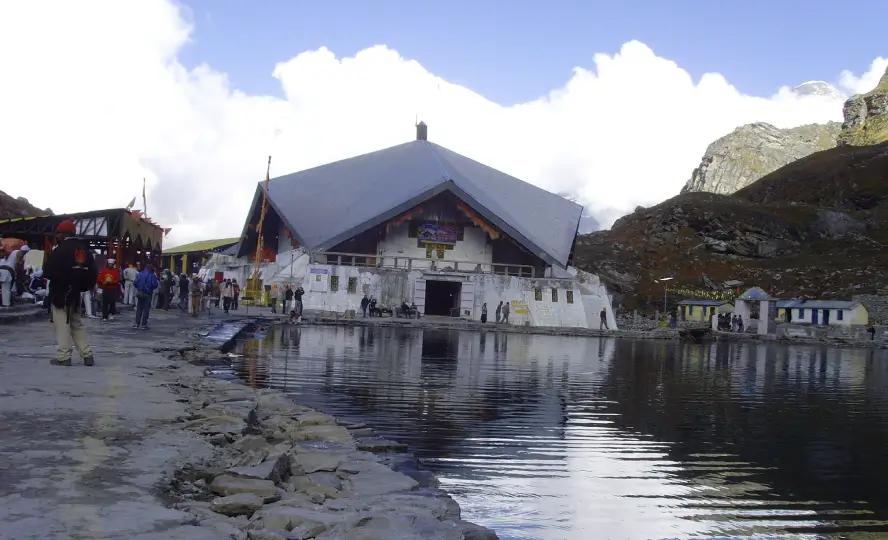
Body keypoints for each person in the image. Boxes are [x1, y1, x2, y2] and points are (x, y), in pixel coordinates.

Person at [42, 219, 97, 366]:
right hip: (76, 294)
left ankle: (64, 356)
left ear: (64, 233)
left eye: (58, 233)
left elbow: (48, 272)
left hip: (61, 293)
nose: (57, 236)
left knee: (62, 325)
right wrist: (80, 286)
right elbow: (92, 275)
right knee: (76, 324)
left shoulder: (60, 250)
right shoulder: (84, 250)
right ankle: (87, 355)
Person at [133, 263, 159, 329]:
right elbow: (155, 284)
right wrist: (150, 288)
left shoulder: (140, 274)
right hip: (148, 294)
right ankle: (144, 324)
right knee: (146, 309)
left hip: (140, 292)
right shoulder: (152, 275)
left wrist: (139, 288)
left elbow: (135, 282)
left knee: (139, 308)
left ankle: (137, 323)